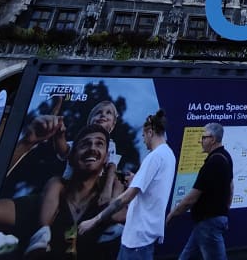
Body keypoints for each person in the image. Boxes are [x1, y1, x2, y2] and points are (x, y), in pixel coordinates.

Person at [79, 110, 177, 259]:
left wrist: (94, 220)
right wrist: (135, 180)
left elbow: (126, 197)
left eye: (143, 136)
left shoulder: (154, 157)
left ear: (150, 132)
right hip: (145, 235)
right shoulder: (168, 154)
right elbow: (153, 188)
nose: (144, 141)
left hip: (138, 238)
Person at [26, 124, 125, 258]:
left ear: (107, 157)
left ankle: (112, 230)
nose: (92, 148)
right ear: (72, 156)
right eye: (85, 144)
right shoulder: (53, 190)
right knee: (55, 183)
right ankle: (41, 235)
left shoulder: (114, 182)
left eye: (99, 144)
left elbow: (119, 212)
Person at [168, 122, 234, 260]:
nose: (200, 141)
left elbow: (191, 198)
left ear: (213, 139)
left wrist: (172, 214)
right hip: (207, 223)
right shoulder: (226, 157)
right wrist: (224, 208)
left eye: (203, 137)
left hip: (208, 224)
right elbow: (231, 186)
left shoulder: (213, 163)